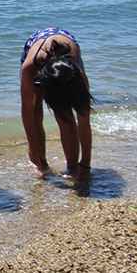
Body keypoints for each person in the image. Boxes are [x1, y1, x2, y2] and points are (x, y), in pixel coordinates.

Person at [20, 27, 93, 178]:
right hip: (36, 47)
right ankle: (43, 163)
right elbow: (27, 113)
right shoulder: (30, 67)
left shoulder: (77, 73)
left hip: (67, 54)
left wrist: (85, 164)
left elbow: (84, 121)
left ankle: (72, 167)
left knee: (64, 115)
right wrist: (34, 151)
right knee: (35, 111)